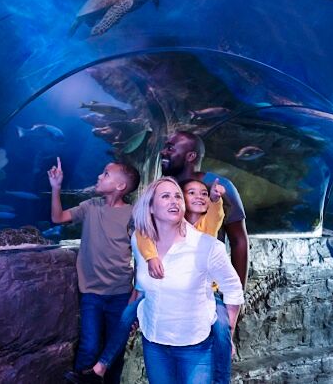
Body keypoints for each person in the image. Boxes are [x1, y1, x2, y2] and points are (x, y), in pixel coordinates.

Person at [90, 178, 226, 379]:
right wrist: (151, 259)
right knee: (127, 315)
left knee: (222, 328)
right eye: (191, 193)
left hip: (205, 295)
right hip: (158, 295)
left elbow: (216, 213)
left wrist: (216, 198)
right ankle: (101, 366)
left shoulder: (207, 225)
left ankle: (223, 375)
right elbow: (143, 236)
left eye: (204, 193)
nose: (199, 196)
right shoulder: (163, 225)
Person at [134, 177, 244, 383]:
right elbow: (141, 285)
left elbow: (233, 289)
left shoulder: (207, 246)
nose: (174, 201)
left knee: (221, 330)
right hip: (153, 340)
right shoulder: (141, 243)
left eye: (177, 196)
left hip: (195, 345)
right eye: (165, 196)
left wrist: (229, 327)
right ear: (150, 206)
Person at [160, 131, 249, 383]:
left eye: (170, 147)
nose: (163, 152)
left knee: (215, 360)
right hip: (173, 291)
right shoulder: (165, 188)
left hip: (211, 290)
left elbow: (239, 241)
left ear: (190, 156)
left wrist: (235, 300)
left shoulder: (218, 186)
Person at [48, 157, 140, 384]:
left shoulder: (133, 215)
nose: (99, 176)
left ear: (121, 186)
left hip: (120, 293)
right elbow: (57, 218)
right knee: (89, 346)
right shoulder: (90, 206)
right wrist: (56, 188)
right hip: (91, 293)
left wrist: (135, 294)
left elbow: (142, 254)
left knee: (114, 350)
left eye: (106, 174)